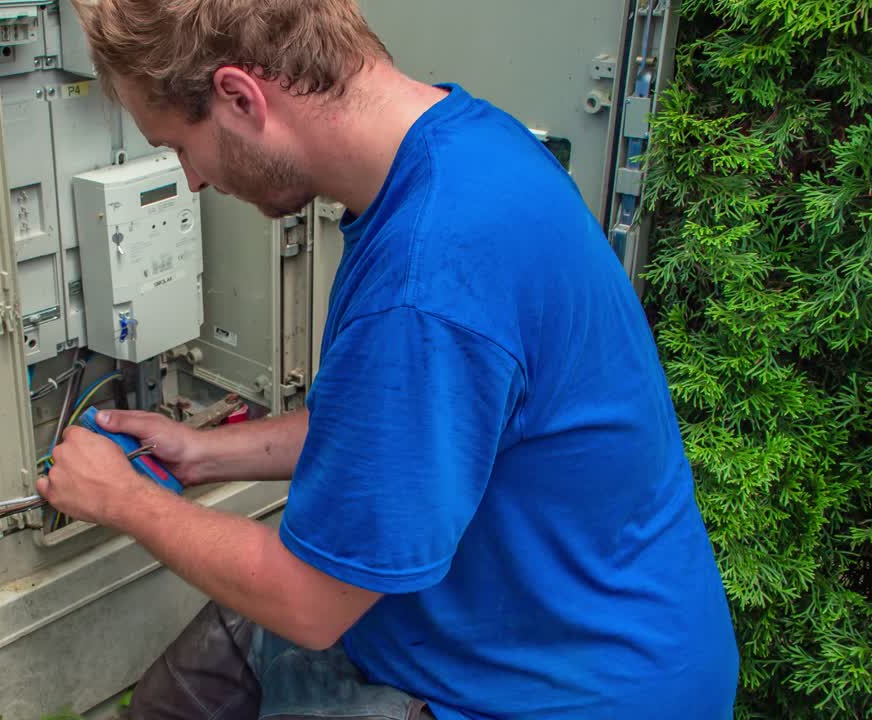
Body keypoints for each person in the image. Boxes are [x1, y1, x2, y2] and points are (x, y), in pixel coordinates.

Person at [40, 1, 740, 718]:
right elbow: (394, 433)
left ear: (240, 99)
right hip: (512, 629)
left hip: (559, 691)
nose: (189, 180)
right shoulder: (461, 143)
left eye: (181, 148)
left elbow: (309, 603)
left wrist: (125, 500)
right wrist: (203, 454)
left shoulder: (427, 282)